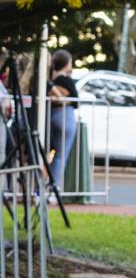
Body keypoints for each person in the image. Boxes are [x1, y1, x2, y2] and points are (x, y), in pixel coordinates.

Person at [47, 48, 78, 187]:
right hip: (65, 117)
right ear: (66, 64)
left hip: (52, 116)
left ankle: (39, 187)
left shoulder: (50, 80)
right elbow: (76, 100)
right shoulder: (66, 80)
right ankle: (55, 188)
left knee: (48, 154)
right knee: (60, 156)